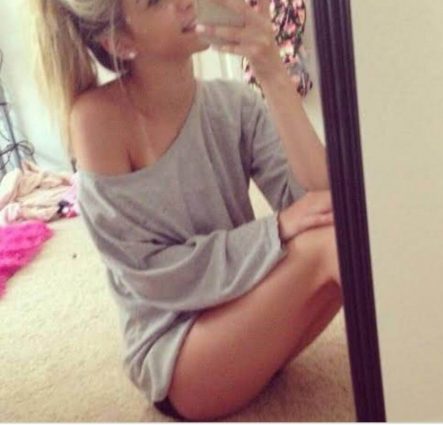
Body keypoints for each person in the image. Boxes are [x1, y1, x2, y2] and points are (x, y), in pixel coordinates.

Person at [30, 0, 343, 421]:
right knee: (333, 246)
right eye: (156, 1)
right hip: (177, 354)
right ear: (120, 43)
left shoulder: (234, 103)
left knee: (347, 235)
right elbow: (152, 275)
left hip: (245, 313)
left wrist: (271, 71)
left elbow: (324, 203)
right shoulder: (96, 120)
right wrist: (276, 230)